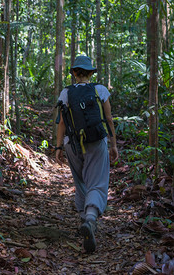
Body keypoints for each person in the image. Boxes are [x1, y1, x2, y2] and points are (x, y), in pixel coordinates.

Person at [54, 55, 118, 253]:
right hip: (96, 141)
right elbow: (108, 118)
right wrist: (113, 144)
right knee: (97, 180)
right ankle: (90, 219)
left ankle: (83, 218)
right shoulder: (100, 90)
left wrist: (57, 148)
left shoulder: (66, 93)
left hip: (72, 143)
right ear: (91, 73)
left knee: (80, 179)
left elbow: (62, 123)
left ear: (74, 73)